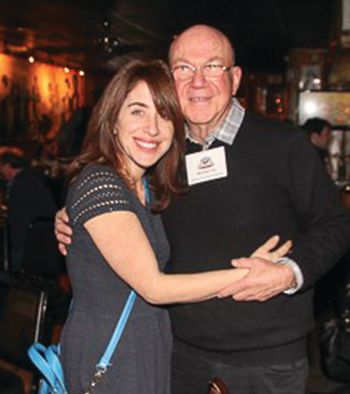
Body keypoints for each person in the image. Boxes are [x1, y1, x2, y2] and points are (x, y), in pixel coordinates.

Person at [55, 26, 350, 394]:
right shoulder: (161, 153)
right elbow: (124, 216)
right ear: (169, 78)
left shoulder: (284, 144)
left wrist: (289, 273)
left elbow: (336, 224)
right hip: (176, 354)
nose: (198, 82)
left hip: (265, 360)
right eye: (183, 68)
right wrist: (76, 220)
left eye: (213, 66)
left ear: (235, 77)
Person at [0, 148, 57, 272]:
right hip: (40, 241)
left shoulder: (22, 184)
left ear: (7, 166)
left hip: (28, 243)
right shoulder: (31, 179)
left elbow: (17, 221)